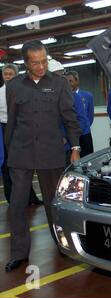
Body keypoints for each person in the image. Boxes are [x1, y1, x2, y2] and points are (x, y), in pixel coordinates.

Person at [4, 40, 81, 272]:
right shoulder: (14, 86)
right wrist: (10, 151)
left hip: (51, 153)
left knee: (52, 203)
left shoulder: (59, 84)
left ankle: (61, 245)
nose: (41, 66)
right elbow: (12, 121)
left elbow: (69, 118)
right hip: (21, 153)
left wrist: (75, 148)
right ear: (26, 63)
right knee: (17, 205)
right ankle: (19, 253)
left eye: (44, 61)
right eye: (35, 63)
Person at [0, 63, 43, 205]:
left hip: (20, 127)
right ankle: (11, 198)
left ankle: (30, 197)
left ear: (16, 76)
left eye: (10, 74)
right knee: (7, 165)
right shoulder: (0, 92)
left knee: (25, 164)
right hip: (3, 128)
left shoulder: (23, 90)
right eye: (5, 74)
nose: (7, 77)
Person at [65, 70, 94, 157]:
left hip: (84, 133)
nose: (68, 84)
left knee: (87, 159)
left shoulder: (88, 95)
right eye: (66, 81)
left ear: (77, 81)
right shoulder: (64, 96)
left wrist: (83, 127)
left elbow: (90, 116)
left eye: (71, 81)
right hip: (70, 135)